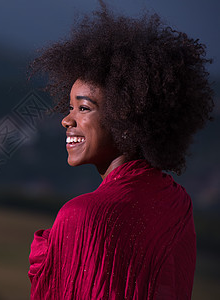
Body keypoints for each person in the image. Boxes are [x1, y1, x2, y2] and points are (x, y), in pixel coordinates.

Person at [28, 1, 214, 299]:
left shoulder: (82, 216)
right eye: (70, 107)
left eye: (84, 108)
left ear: (126, 118)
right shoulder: (178, 203)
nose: (66, 120)